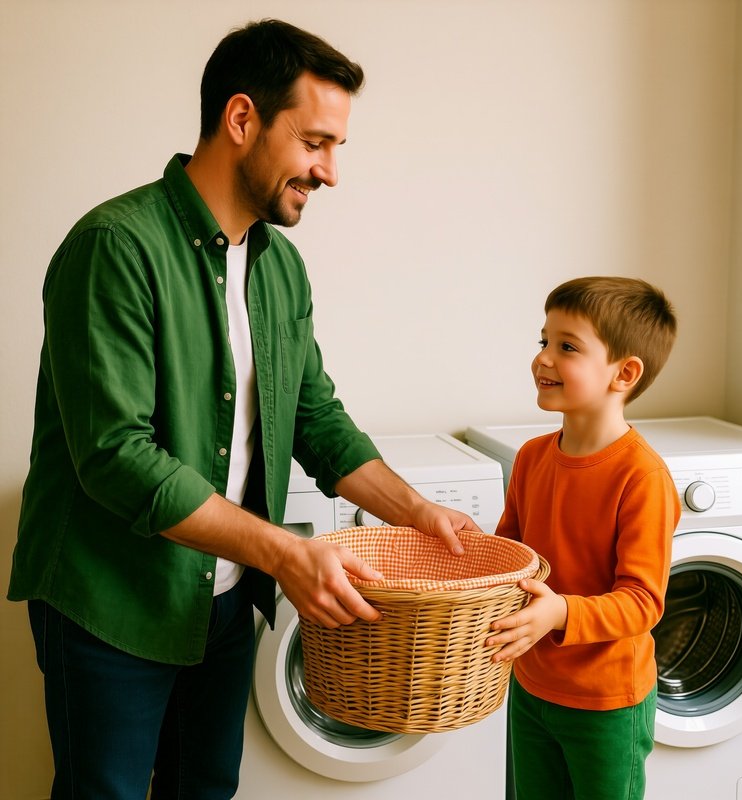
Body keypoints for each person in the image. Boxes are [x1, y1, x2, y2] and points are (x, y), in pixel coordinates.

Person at [7, 19, 478, 800]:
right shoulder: (114, 247)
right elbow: (117, 459)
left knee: (206, 791)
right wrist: (287, 555)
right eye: (315, 142)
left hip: (222, 607)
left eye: (336, 150)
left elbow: (317, 420)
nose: (329, 172)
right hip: (110, 607)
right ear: (241, 120)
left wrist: (420, 512)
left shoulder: (280, 268)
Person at [486, 276, 681, 800]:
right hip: (531, 687)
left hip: (607, 703)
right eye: (543, 341)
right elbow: (514, 557)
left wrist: (559, 614)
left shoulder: (642, 477)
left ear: (625, 373)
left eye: (567, 347)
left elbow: (642, 603)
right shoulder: (530, 458)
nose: (543, 359)